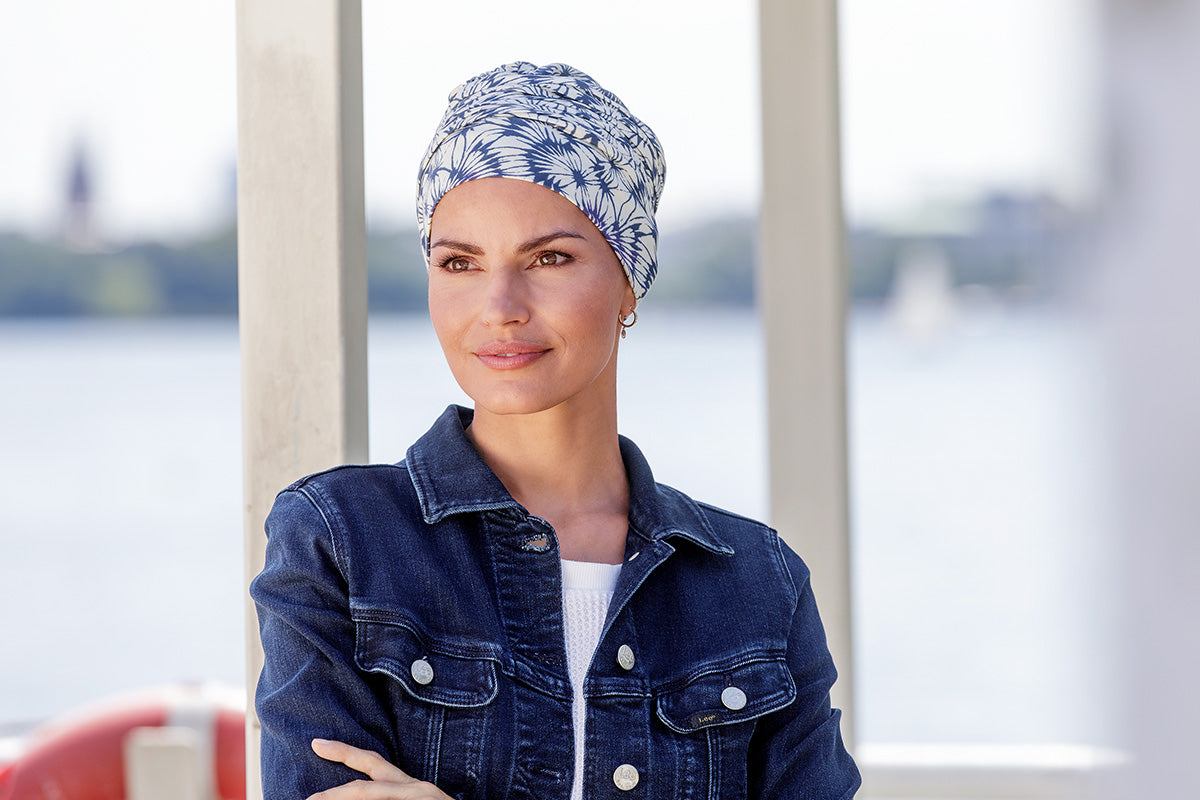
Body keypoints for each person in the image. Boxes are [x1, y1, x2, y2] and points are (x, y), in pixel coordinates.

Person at [251, 61, 860, 800]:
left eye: (549, 258)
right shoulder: (339, 542)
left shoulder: (759, 586)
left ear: (629, 279)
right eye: (460, 262)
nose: (499, 305)